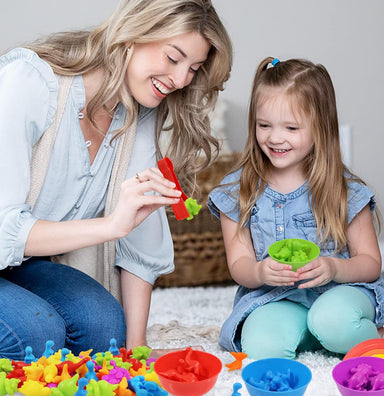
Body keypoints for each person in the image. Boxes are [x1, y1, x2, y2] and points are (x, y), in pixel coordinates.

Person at [0, 0, 232, 361]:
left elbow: (140, 235)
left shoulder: (138, 112)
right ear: (132, 34)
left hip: (19, 264)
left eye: (194, 68)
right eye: (173, 58)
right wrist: (110, 225)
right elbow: (4, 230)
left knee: (104, 329)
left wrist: (136, 350)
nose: (182, 79)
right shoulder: (28, 81)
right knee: (36, 333)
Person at [208, 57, 384, 359]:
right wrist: (260, 271)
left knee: (334, 321)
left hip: (339, 294)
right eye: (264, 125)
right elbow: (239, 264)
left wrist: (334, 267)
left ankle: (349, 331)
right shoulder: (237, 190)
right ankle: (318, 336)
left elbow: (370, 263)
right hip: (278, 298)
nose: (275, 138)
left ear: (320, 127)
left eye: (291, 128)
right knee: (261, 347)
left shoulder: (343, 188)